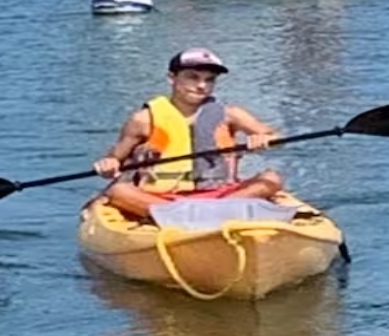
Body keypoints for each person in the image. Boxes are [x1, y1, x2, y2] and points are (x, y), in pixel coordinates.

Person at [92, 48, 284, 222]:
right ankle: (204, 216)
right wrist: (108, 165)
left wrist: (265, 139)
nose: (201, 85)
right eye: (192, 77)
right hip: (162, 198)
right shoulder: (144, 119)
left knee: (271, 179)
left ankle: (201, 216)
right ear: (172, 78)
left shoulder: (230, 114)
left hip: (221, 195)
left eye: (209, 80)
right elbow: (115, 159)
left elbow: (274, 136)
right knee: (119, 191)